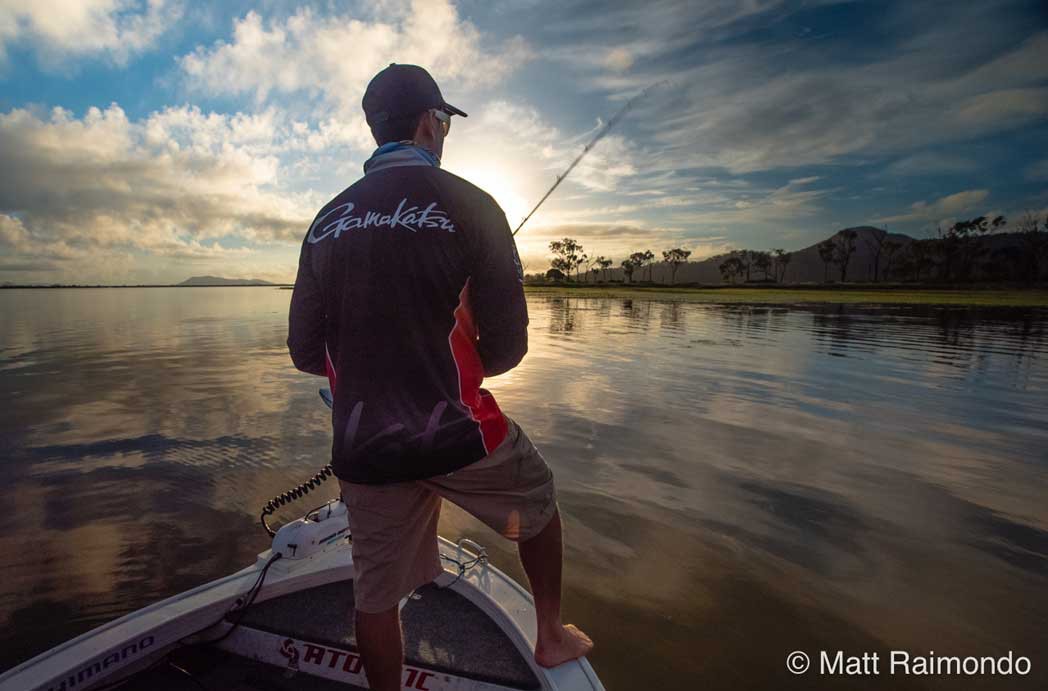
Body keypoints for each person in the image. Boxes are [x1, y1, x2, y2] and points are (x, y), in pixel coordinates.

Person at [287, 63, 593, 691]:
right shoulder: (473, 205)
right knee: (537, 502)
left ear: (377, 130)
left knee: (374, 594)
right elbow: (507, 352)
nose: (445, 131)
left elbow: (302, 350)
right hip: (457, 433)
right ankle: (551, 633)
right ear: (429, 122)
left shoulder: (326, 219)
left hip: (364, 443)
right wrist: (461, 344)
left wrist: (374, 368)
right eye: (445, 120)